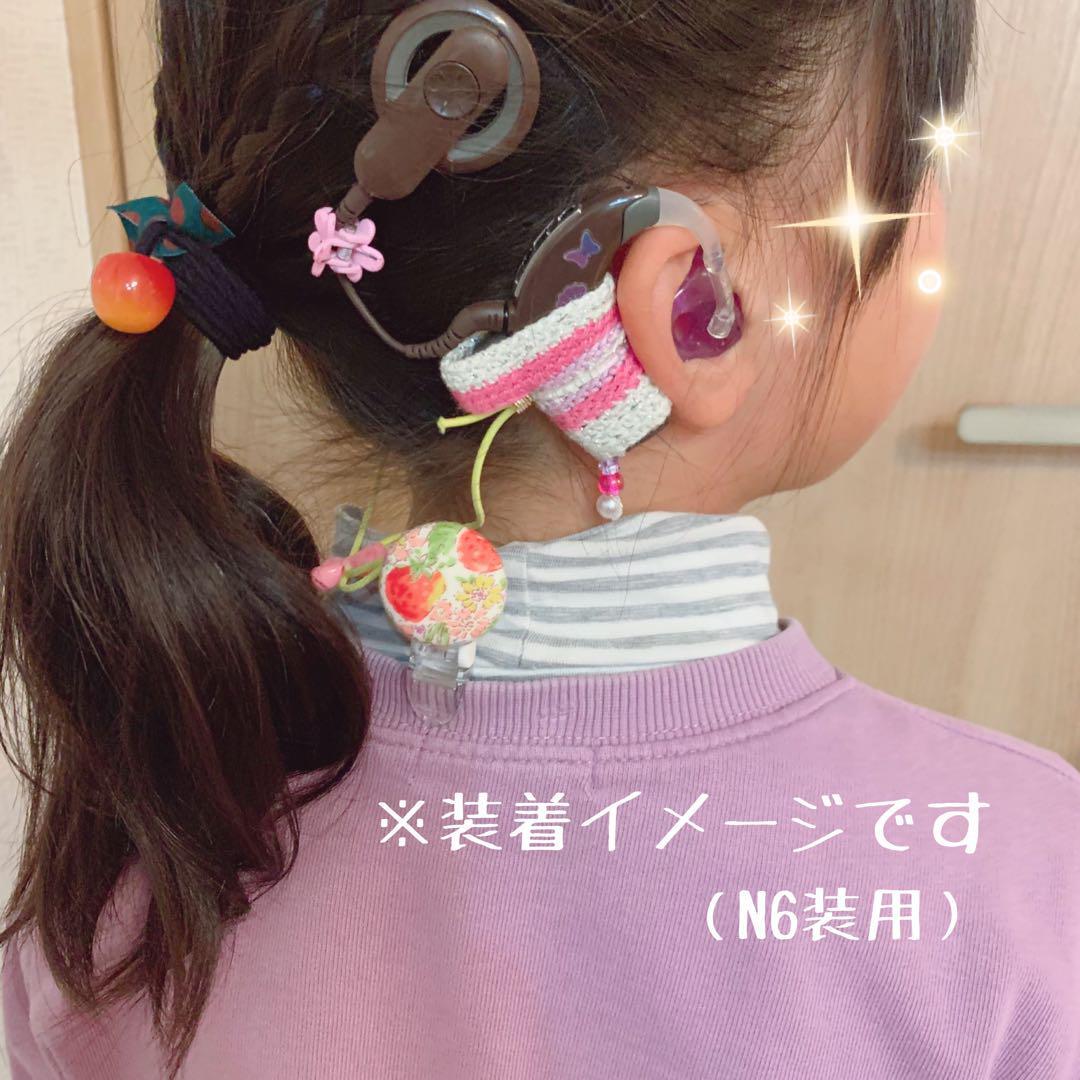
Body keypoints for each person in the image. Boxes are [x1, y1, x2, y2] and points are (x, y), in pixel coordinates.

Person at [2, 0, 1078, 1077]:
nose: (933, 209)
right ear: (697, 308)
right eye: (914, 162)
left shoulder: (129, 865)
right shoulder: (1020, 882)